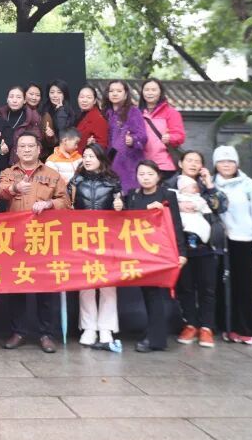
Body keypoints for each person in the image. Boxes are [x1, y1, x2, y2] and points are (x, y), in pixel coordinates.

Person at [0, 133, 70, 353]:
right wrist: (15, 189)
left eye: (31, 146)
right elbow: (1, 191)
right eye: (22, 146)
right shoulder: (9, 173)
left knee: (46, 288)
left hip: (44, 239)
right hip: (16, 239)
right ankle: (18, 332)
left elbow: (66, 201)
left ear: (39, 149)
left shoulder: (52, 174)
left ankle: (46, 334)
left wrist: (49, 204)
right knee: (17, 286)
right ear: (16, 150)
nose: (27, 150)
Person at [124, 160, 186, 353]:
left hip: (161, 253)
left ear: (158, 176)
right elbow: (126, 222)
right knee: (148, 294)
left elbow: (176, 224)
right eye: (141, 174)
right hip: (141, 253)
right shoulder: (133, 196)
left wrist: (181, 253)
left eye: (150, 174)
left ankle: (156, 339)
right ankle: (153, 333)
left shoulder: (167, 195)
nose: (145, 178)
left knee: (156, 295)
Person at [68, 143, 124, 348]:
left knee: (108, 283)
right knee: (87, 283)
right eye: (85, 156)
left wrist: (120, 206)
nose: (87, 159)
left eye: (91, 156)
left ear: (100, 158)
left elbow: (122, 207)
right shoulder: (76, 181)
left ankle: (106, 328)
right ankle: (89, 327)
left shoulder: (113, 181)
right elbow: (67, 206)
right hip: (83, 236)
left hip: (107, 237)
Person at [213, 145, 252, 345]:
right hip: (221, 241)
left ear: (237, 164)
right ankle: (227, 326)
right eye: (221, 161)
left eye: (230, 161)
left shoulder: (249, 186)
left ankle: (246, 328)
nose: (226, 165)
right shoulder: (211, 184)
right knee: (223, 286)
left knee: (244, 286)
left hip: (244, 241)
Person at [175, 150, 228, 348]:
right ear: (180, 163)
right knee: (185, 287)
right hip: (181, 246)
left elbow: (221, 207)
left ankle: (207, 327)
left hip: (207, 246)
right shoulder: (170, 185)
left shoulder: (206, 187)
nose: (193, 164)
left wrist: (209, 184)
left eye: (197, 161)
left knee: (208, 288)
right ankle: (190, 324)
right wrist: (178, 206)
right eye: (189, 160)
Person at [105, 80, 147, 193]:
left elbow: (143, 136)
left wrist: (132, 140)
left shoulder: (133, 111)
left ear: (126, 94)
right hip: (108, 162)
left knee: (128, 195)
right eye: (111, 91)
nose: (114, 93)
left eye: (119, 91)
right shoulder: (106, 113)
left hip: (128, 162)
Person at [140, 79, 187, 180]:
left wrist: (170, 137)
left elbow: (180, 136)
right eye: (146, 90)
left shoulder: (171, 113)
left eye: (154, 90)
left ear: (160, 92)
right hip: (143, 165)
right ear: (142, 92)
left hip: (165, 165)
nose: (150, 93)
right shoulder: (136, 113)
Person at [0, 86, 41, 165]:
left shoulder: (32, 117)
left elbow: (38, 142)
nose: (14, 100)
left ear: (24, 100)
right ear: (7, 99)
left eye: (18, 97)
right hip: (0, 159)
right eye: (11, 97)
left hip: (22, 162)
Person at [25, 83, 56, 153]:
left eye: (37, 95)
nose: (34, 97)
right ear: (24, 94)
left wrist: (50, 136)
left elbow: (51, 144)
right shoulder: (18, 111)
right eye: (31, 94)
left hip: (39, 153)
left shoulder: (45, 115)